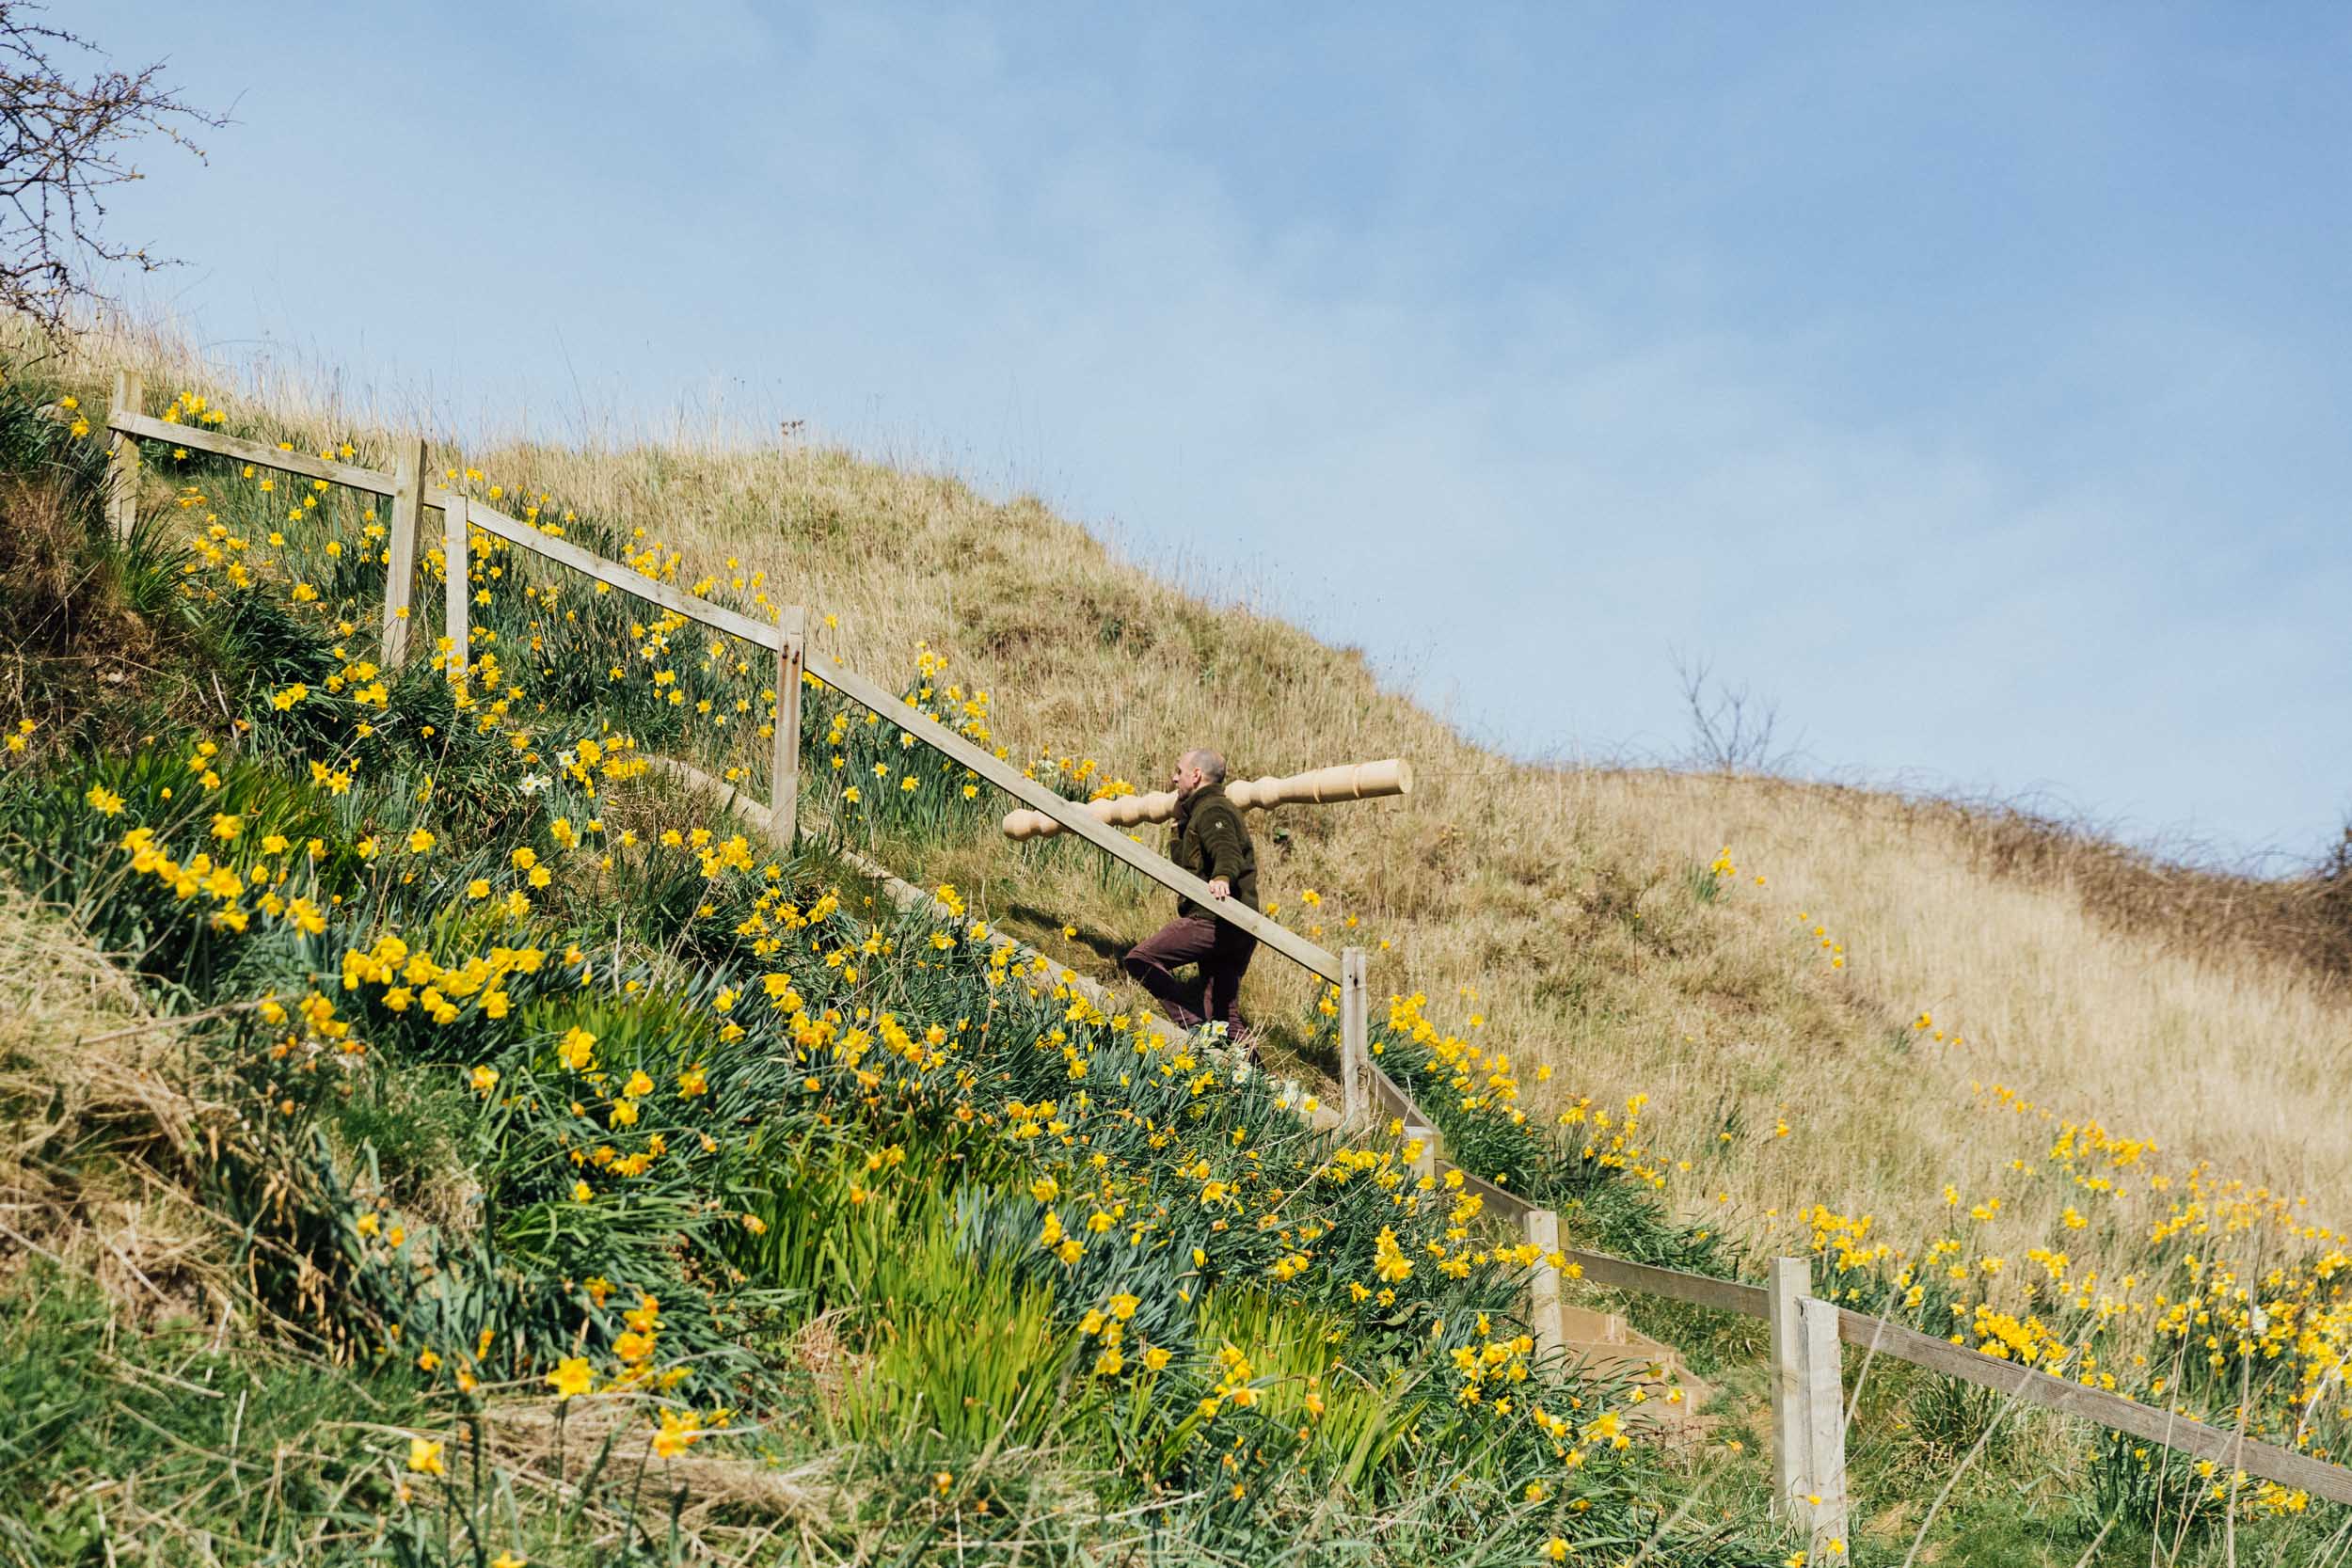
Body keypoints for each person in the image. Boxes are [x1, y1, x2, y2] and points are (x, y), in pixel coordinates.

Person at [1121, 747, 1258, 1032]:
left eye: (1179, 771)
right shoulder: (1201, 811)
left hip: (1212, 919)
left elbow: (1226, 851)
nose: (1174, 778)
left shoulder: (1213, 809)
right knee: (1225, 1016)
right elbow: (1190, 863)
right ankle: (1257, 1077)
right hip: (1239, 929)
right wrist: (1178, 827)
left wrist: (1222, 876)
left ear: (1196, 775)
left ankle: (1192, 1025)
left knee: (1141, 959)